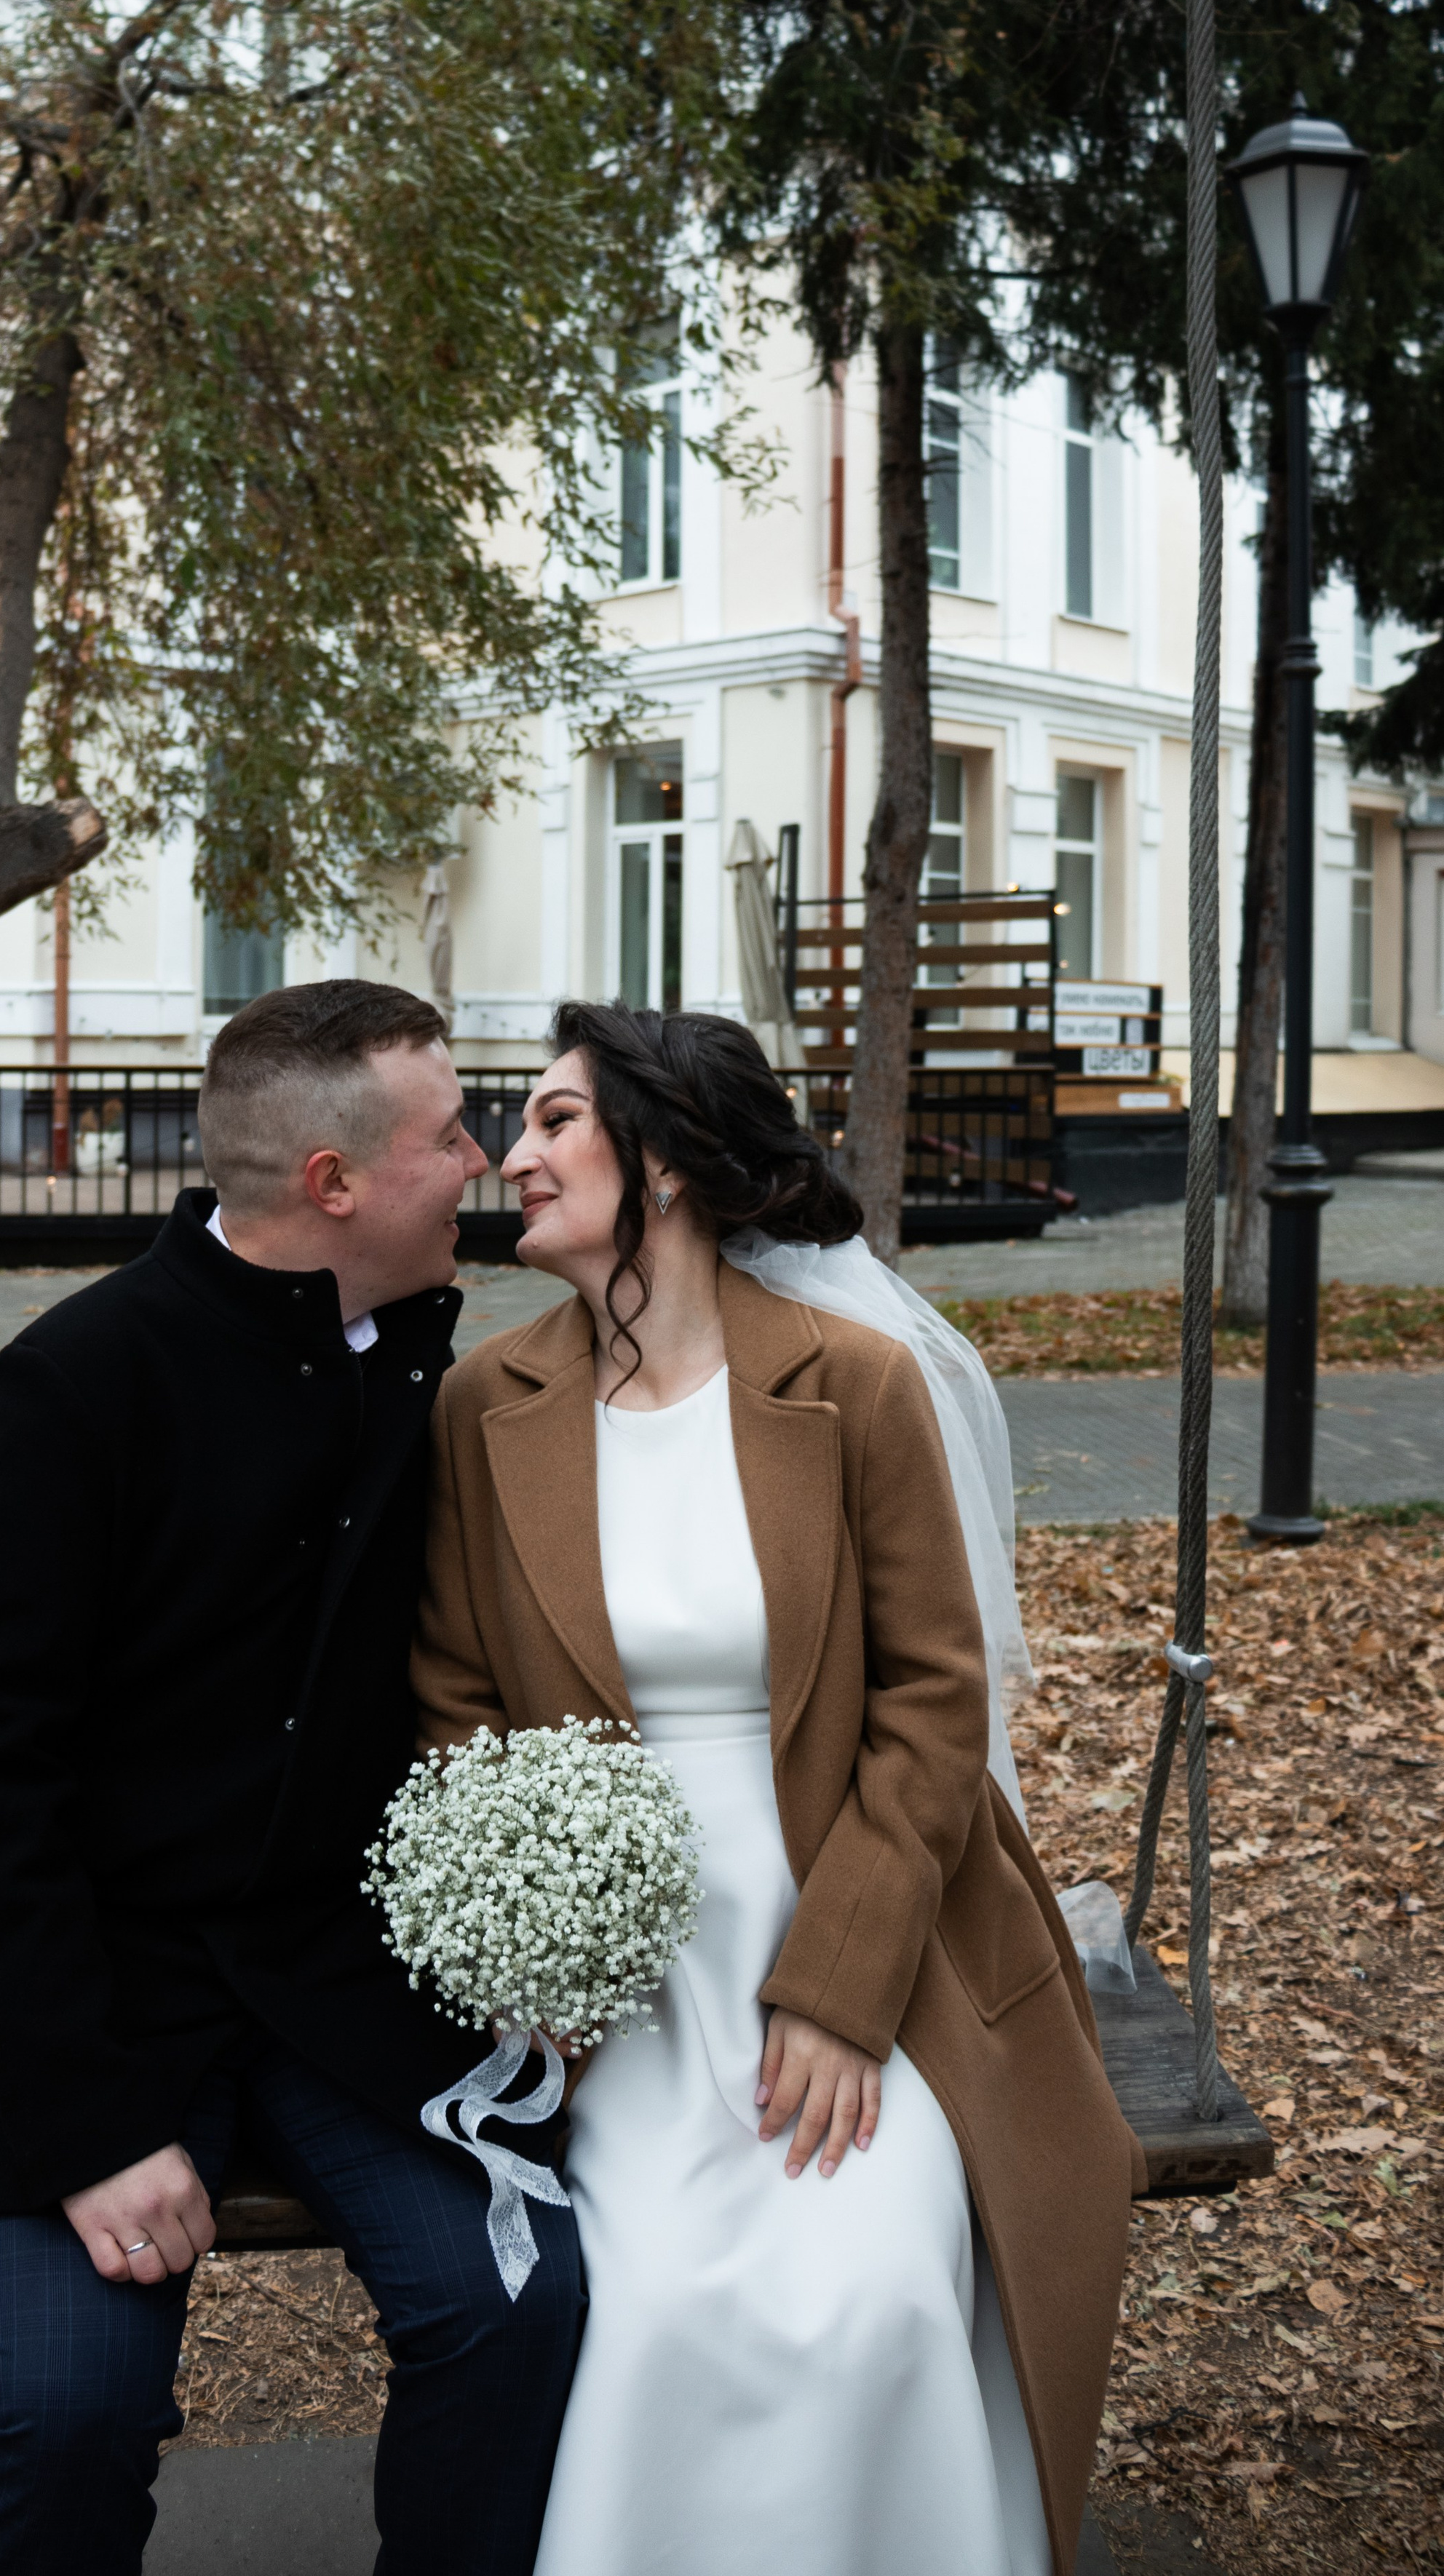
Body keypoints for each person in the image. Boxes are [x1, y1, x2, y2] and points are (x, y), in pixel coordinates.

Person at [412, 1001, 1141, 2576]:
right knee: (660, 2304)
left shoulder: (854, 1386)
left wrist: (837, 1990)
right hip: (623, 1971)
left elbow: (934, 1702)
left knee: (872, 2292)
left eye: (552, 1120)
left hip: (866, 1920)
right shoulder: (485, 1406)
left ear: (665, 1164)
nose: (509, 1156)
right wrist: (538, 1950)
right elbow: (456, 1703)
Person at [0, 980, 584, 2576]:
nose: (483, 1161)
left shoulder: (423, 1375)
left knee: (517, 2302)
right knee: (69, 2406)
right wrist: (89, 2123)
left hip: (334, 1973)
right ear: (333, 1182)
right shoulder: (78, 1384)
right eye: (448, 1134)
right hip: (95, 1990)